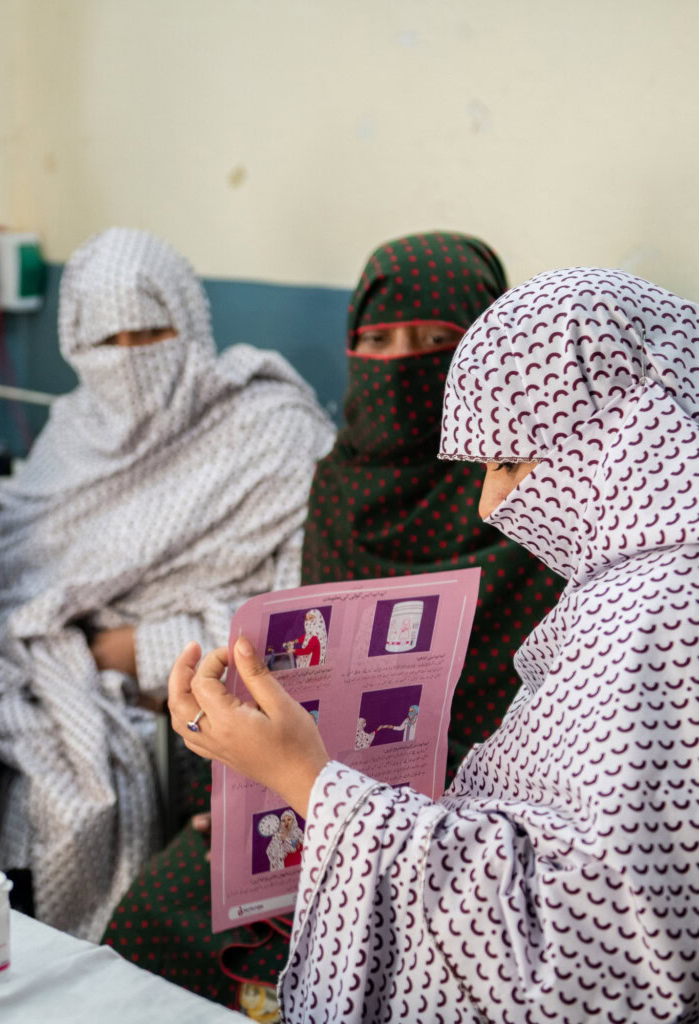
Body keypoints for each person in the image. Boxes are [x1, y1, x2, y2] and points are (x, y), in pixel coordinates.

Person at [170, 266, 699, 1022]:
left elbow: (588, 956)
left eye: (509, 462)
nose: (491, 502)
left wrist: (306, 781)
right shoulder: (635, 579)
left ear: (622, 434)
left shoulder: (659, 615)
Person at [104, 232, 559, 1012]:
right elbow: (313, 680)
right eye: (378, 341)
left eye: (436, 343)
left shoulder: (530, 500)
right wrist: (247, 775)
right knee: (156, 914)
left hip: (473, 826)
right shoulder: (341, 485)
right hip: (311, 791)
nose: (403, 363)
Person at [0, 227, 333, 941]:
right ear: (77, 347)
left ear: (189, 325)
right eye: (109, 343)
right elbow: (2, 599)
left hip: (213, 673)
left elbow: (298, 621)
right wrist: (78, 663)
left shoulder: (271, 429)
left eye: (151, 333)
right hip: (73, 681)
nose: (130, 360)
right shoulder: (70, 434)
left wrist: (135, 650)